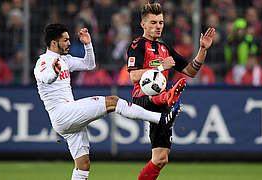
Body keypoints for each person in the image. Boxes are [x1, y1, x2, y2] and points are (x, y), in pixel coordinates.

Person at [33, 23, 183, 180]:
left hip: (68, 119)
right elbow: (45, 78)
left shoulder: (65, 60)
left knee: (83, 165)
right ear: (53, 43)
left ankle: (161, 119)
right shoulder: (43, 62)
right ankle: (160, 119)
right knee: (113, 101)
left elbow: (89, 64)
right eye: (65, 40)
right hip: (62, 113)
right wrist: (55, 74)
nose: (69, 43)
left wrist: (88, 45)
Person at [126, 3, 215, 180]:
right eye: (153, 22)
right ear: (143, 25)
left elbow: (191, 71)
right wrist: (160, 66)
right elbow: (134, 76)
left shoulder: (165, 48)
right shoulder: (138, 46)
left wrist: (202, 50)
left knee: (161, 158)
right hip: (143, 98)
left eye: (160, 22)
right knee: (161, 95)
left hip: (161, 106)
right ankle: (168, 97)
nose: (158, 26)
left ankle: (168, 98)